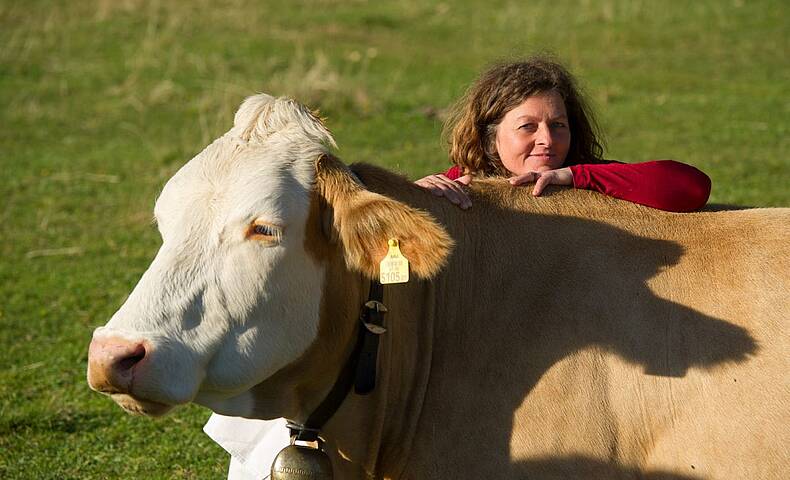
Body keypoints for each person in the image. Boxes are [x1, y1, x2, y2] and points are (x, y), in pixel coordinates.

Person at [415, 57, 711, 212]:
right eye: (527, 126)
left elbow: (693, 188)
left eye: (558, 125)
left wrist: (575, 177)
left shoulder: (586, 175)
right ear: (490, 137)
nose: (546, 139)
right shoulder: (461, 183)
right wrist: (417, 195)